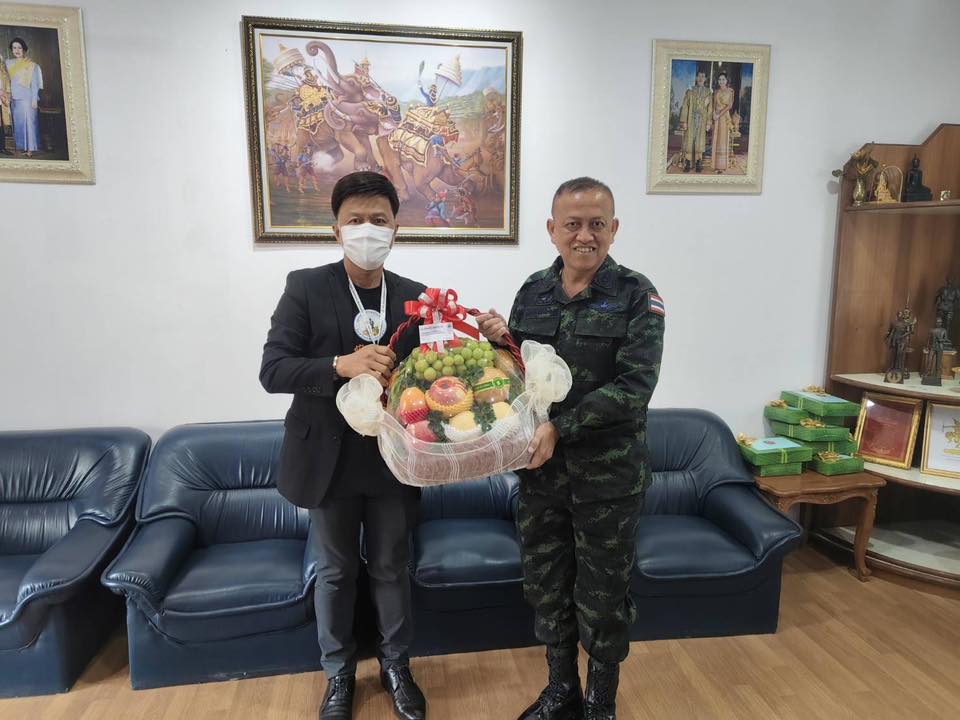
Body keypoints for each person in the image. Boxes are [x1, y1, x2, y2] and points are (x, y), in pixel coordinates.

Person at [477, 177, 665, 720]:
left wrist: (561, 428)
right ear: (552, 229)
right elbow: (521, 371)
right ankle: (562, 691)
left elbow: (634, 388)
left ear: (614, 228)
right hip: (541, 474)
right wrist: (499, 342)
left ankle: (600, 703)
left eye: (597, 224)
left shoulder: (637, 295)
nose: (585, 235)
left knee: (604, 595)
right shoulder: (533, 290)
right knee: (547, 586)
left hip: (609, 479)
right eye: (573, 225)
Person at [260, 171, 428, 720]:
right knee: (334, 573)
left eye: (379, 220)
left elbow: (432, 372)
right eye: (355, 220)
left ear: (395, 229)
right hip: (327, 461)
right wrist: (340, 364)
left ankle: (397, 666)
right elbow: (273, 370)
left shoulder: (415, 295)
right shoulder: (306, 287)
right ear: (336, 230)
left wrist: (481, 334)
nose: (367, 229)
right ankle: (338, 674)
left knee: (391, 567)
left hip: (392, 459)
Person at [6, 38, 42, 157]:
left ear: (24, 49)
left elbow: (34, 84)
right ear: (11, 50)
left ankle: (31, 149)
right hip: (14, 98)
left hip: (28, 98)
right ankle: (23, 147)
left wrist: (34, 99)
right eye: (14, 48)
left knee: (29, 123)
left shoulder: (31, 65)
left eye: (19, 48)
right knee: (19, 124)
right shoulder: (8, 63)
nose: (17, 50)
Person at [677, 70, 712, 173]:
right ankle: (688, 162)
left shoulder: (708, 93)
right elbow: (685, 106)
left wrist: (708, 122)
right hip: (691, 119)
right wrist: (684, 121)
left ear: (705, 79)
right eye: (699, 76)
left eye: (703, 76)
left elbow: (710, 109)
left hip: (702, 120)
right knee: (689, 140)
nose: (701, 78)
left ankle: (698, 162)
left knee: (700, 141)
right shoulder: (690, 91)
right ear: (696, 78)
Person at [711, 72, 734, 174]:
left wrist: (719, 115)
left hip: (724, 117)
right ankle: (716, 165)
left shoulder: (730, 91)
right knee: (716, 139)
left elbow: (729, 106)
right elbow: (714, 104)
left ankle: (722, 166)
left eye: (723, 79)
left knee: (722, 140)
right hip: (716, 117)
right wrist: (713, 114)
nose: (721, 81)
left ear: (727, 80)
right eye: (719, 79)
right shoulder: (716, 92)